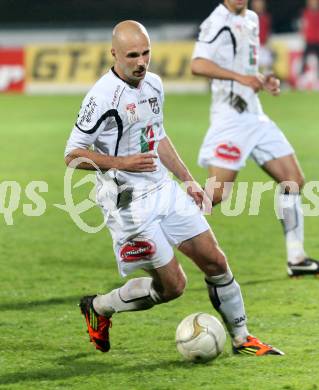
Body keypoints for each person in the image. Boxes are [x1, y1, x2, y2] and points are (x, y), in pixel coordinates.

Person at [64, 20, 283, 356]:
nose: (141, 62)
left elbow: (159, 136)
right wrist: (123, 163)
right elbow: (73, 156)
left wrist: (188, 179)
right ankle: (100, 307)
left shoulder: (153, 84)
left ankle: (242, 338)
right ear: (114, 54)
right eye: (132, 55)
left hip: (162, 189)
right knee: (173, 287)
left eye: (146, 53)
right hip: (127, 203)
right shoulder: (101, 96)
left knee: (215, 261)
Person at [191, 0, 319, 277]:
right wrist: (241, 78)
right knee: (216, 194)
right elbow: (198, 64)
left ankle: (296, 258)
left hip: (255, 115)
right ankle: (160, 227)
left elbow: (244, 69)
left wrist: (261, 79)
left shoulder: (250, 18)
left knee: (293, 180)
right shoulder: (218, 21)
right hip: (230, 119)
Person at [250, 0, 273, 73]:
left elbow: (268, 33)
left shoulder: (266, 17)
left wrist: (269, 45)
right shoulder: (249, 17)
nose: (259, 5)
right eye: (257, 3)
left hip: (264, 46)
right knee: (251, 68)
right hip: (252, 47)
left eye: (260, 3)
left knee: (267, 68)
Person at [300, 0, 319, 75]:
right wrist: (303, 34)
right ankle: (301, 76)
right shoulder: (306, 12)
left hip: (317, 40)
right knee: (304, 59)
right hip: (309, 40)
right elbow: (304, 24)